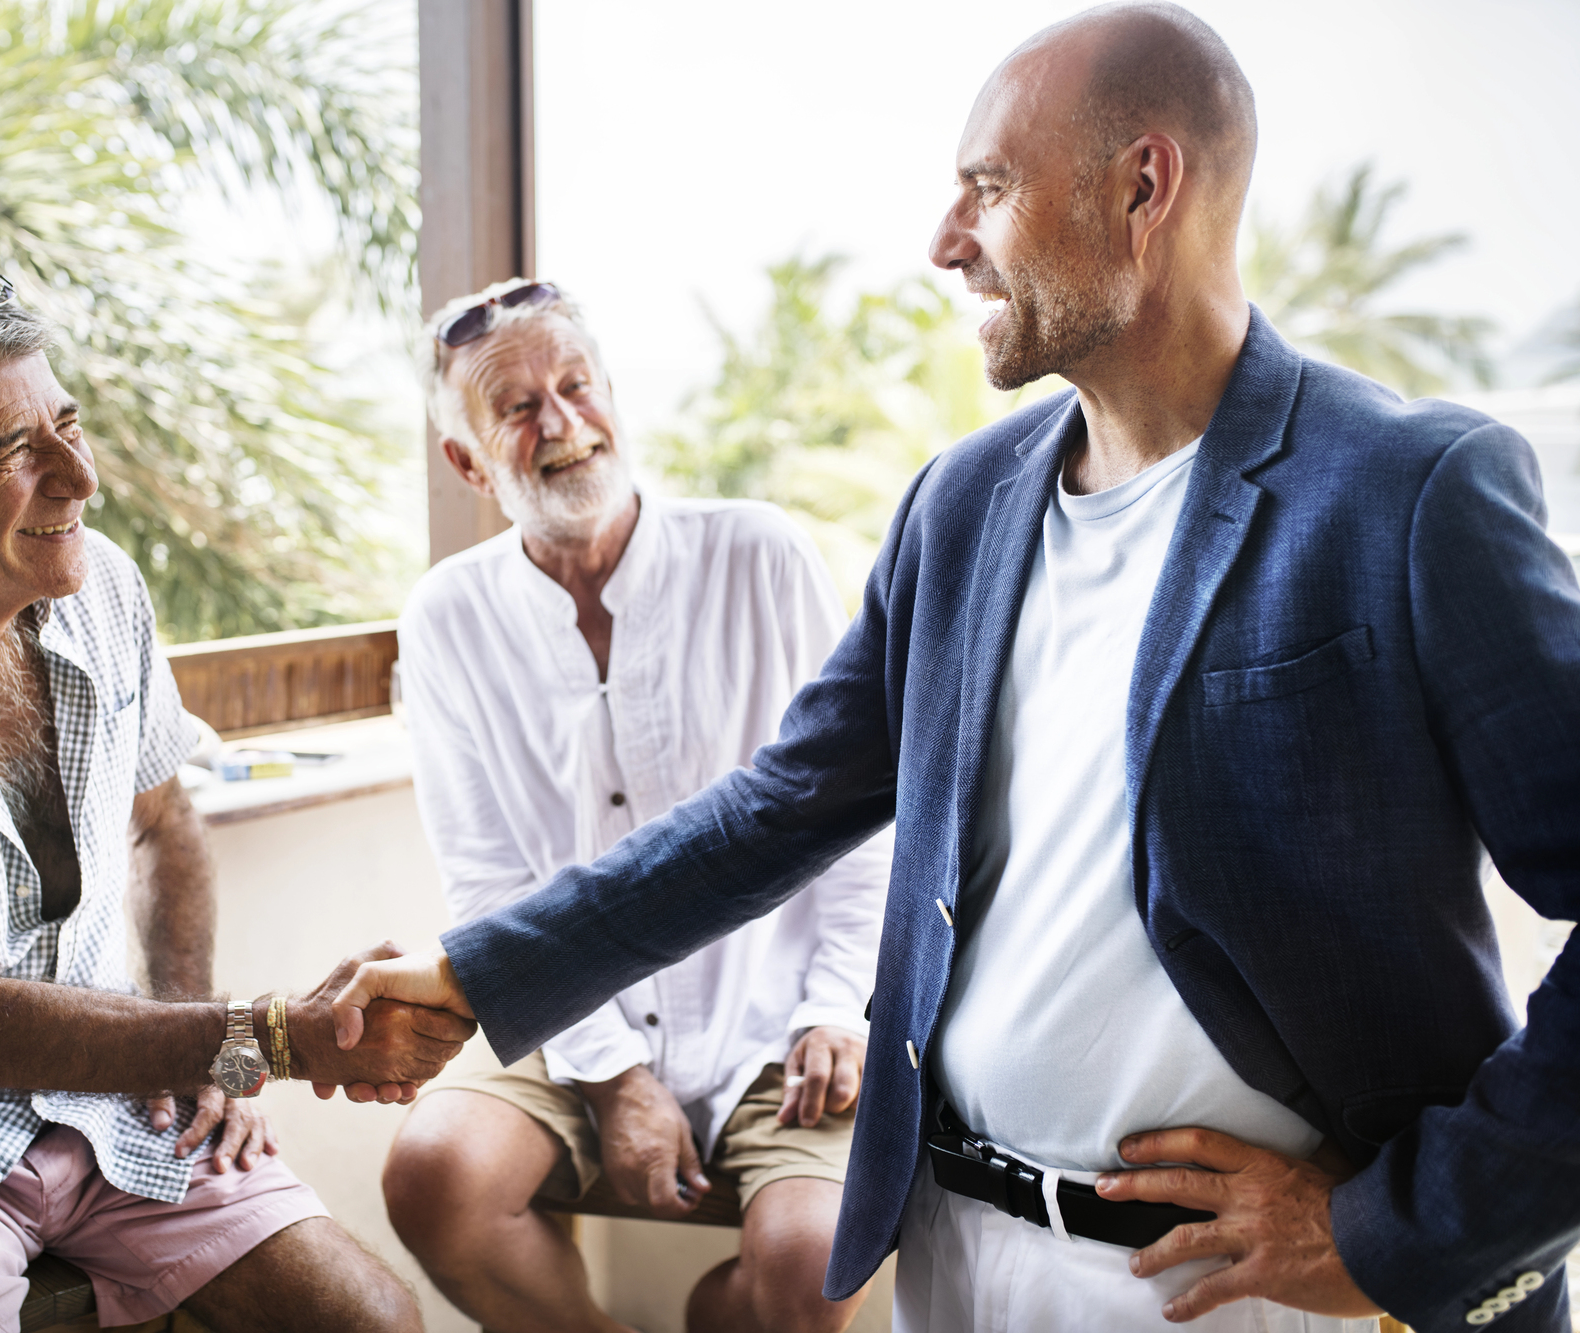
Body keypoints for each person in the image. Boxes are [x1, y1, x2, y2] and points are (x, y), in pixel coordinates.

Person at [330, 6, 1580, 1332]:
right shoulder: (963, 506)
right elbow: (776, 812)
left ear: (1142, 187)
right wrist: (480, 975)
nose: (945, 241)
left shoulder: (1409, 491)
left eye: (988, 187)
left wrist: (1401, 1228)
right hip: (963, 1263)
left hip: (1253, 1298)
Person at [0, 277, 473, 1333]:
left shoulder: (96, 583)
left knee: (378, 1322)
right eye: (15, 454)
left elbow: (163, 824)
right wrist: (274, 1035)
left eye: (66, 425)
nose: (81, 478)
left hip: (121, 1101)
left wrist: (224, 1064)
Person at [379, 281, 891, 1333]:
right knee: (432, 1176)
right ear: (467, 461)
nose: (560, 426)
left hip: (773, 1018)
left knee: (807, 1269)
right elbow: (487, 884)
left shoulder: (763, 554)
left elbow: (857, 810)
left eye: (575, 387)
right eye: (515, 407)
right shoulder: (442, 620)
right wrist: (612, 1077)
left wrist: (837, 1004)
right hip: (568, 1021)